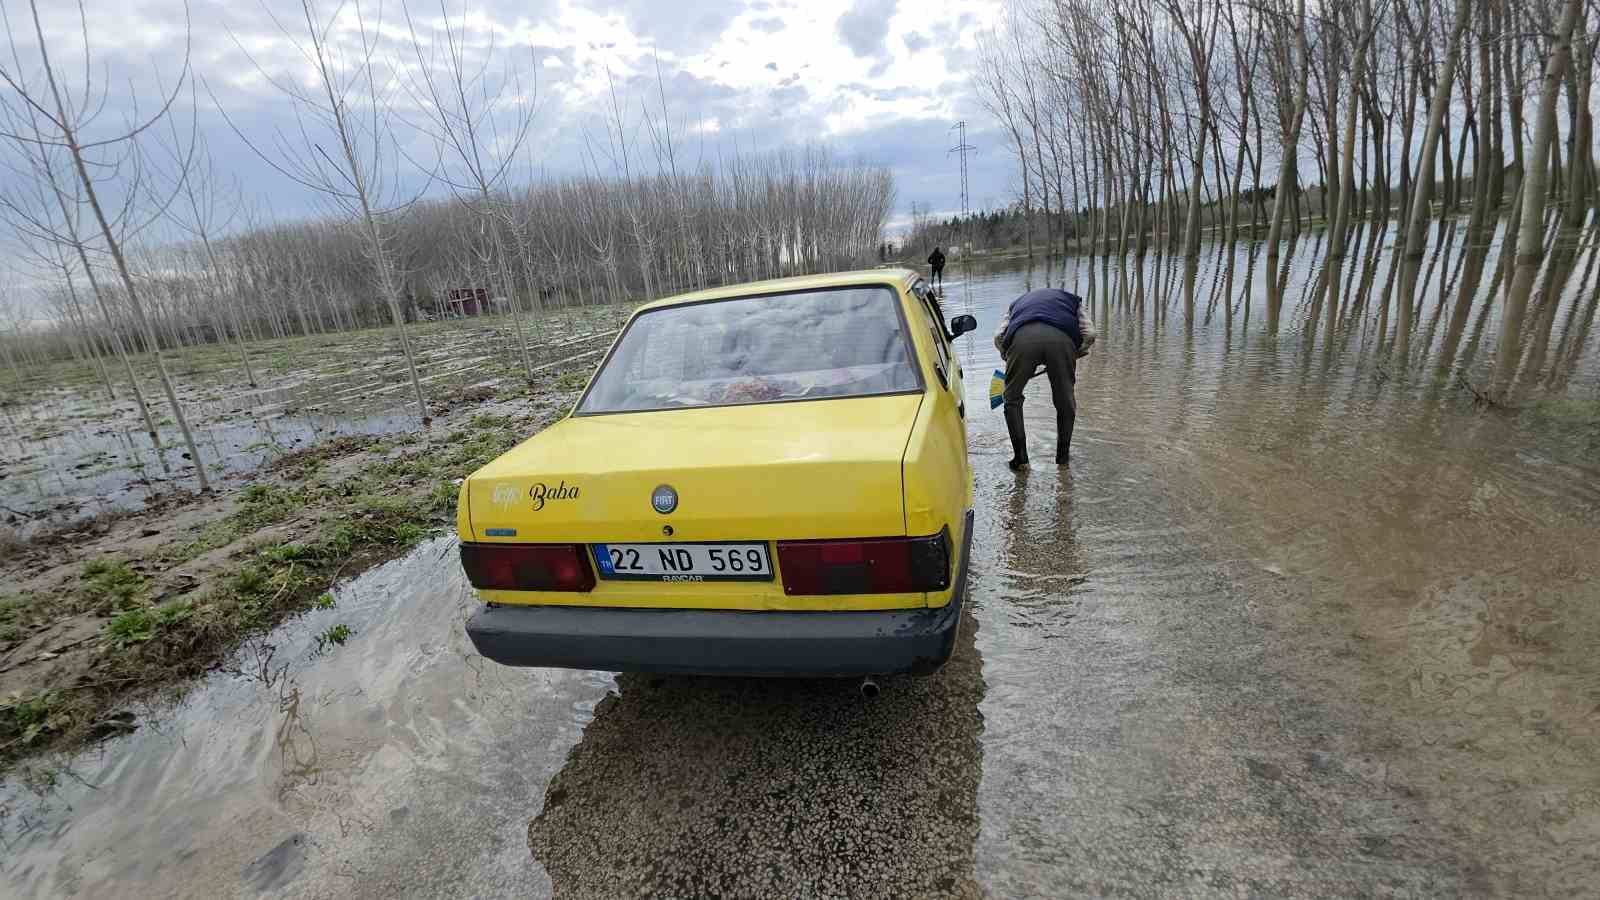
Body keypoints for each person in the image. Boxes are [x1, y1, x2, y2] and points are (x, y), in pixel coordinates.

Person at [994, 288, 1096, 469]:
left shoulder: (1016, 304)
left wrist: (1008, 357)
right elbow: (1090, 334)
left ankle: (1020, 459)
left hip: (1021, 341)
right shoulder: (1073, 301)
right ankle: (1063, 460)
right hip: (1061, 341)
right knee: (1065, 401)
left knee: (1011, 398)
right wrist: (1074, 353)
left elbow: (999, 336)